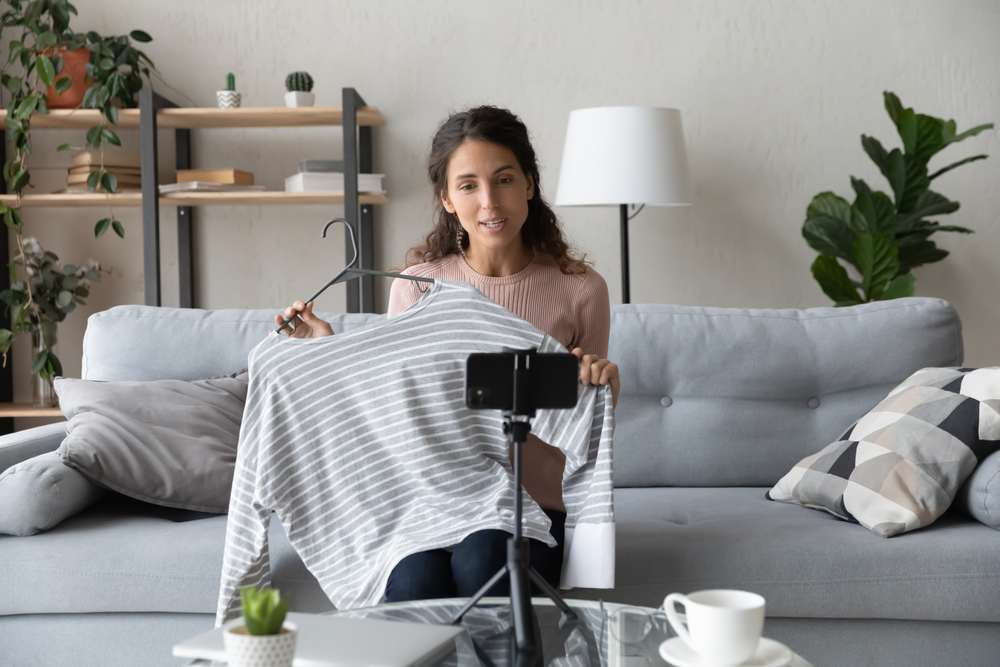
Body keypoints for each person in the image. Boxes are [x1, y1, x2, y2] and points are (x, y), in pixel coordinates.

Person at [276, 105, 620, 603]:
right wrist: (326, 352)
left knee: (483, 560)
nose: (489, 201)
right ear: (446, 199)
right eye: (468, 186)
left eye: (503, 179)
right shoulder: (420, 286)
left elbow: (587, 422)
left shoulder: (581, 289)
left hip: (534, 505)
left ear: (529, 183)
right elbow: (393, 411)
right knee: (414, 583)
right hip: (430, 501)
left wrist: (602, 382)